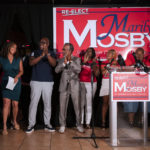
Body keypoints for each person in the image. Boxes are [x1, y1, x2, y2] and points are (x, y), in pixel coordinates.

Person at [26, 37, 56, 133]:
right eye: (41, 42)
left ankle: (47, 124)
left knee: (47, 103)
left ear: (48, 44)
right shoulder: (35, 52)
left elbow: (54, 64)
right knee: (33, 103)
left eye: (44, 42)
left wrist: (47, 55)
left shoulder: (52, 52)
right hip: (36, 81)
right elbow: (31, 63)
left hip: (48, 82)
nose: (42, 43)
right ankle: (31, 124)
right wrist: (41, 55)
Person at [55, 43, 84, 133]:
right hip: (64, 85)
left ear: (70, 50)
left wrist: (70, 61)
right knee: (62, 107)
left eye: (66, 49)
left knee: (77, 106)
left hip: (74, 85)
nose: (64, 51)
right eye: (63, 49)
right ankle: (62, 125)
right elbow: (56, 70)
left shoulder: (77, 59)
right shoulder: (61, 59)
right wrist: (63, 64)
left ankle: (79, 124)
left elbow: (78, 70)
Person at [0, 41, 23, 135]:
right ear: (8, 48)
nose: (14, 50)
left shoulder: (18, 59)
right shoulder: (2, 59)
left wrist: (17, 77)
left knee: (15, 104)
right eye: (13, 48)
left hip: (16, 82)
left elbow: (21, 71)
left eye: (15, 48)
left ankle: (14, 121)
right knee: (6, 103)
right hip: (6, 82)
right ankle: (4, 126)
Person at [124, 47, 148, 127]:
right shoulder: (130, 60)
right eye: (137, 54)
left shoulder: (147, 61)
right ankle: (131, 122)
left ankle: (141, 122)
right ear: (135, 54)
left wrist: (142, 64)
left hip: (144, 86)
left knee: (144, 105)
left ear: (143, 55)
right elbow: (126, 69)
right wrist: (135, 64)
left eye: (141, 54)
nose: (139, 55)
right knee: (132, 105)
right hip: (132, 85)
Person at [79, 47, 99, 128]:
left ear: (93, 54)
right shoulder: (80, 60)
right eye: (87, 51)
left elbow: (97, 74)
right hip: (81, 83)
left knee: (89, 104)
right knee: (81, 104)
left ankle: (87, 123)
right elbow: (77, 70)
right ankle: (80, 122)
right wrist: (84, 62)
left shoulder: (94, 62)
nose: (88, 52)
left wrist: (94, 65)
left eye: (90, 51)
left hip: (91, 84)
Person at [99, 49, 118, 129]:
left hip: (115, 82)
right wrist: (110, 65)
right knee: (105, 103)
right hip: (106, 81)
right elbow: (103, 73)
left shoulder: (117, 63)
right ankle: (103, 122)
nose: (107, 54)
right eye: (107, 53)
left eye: (110, 53)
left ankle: (114, 122)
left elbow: (119, 71)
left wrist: (114, 65)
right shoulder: (104, 62)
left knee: (113, 103)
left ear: (114, 55)